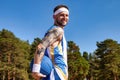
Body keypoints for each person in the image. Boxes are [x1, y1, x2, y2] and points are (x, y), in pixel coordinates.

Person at [31, 4, 69, 80]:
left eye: (67, 15)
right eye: (62, 15)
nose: (65, 18)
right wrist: (35, 69)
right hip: (55, 73)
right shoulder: (58, 30)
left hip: (57, 73)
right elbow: (41, 47)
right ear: (54, 17)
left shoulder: (55, 30)